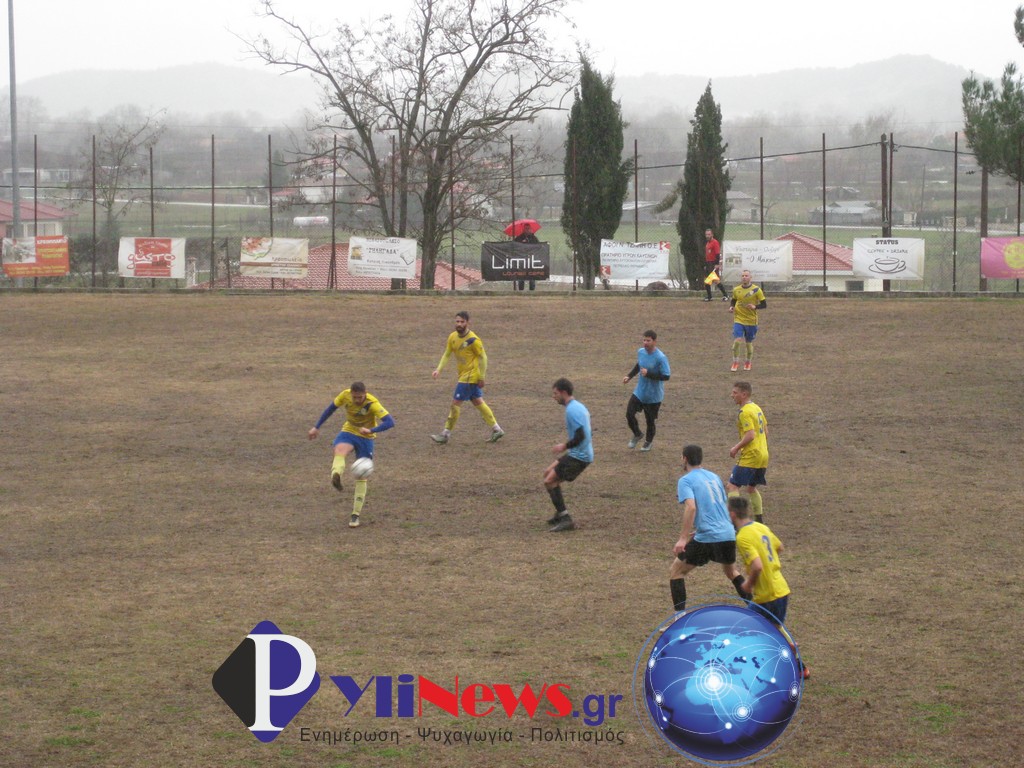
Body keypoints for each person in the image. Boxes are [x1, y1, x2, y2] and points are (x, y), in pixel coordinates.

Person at [729, 495, 808, 678]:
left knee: (749, 628)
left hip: (767, 594)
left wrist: (748, 584)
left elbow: (757, 566)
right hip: (780, 587)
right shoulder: (761, 527)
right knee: (772, 627)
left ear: (732, 514)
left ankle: (773, 661)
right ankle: (799, 666)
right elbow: (779, 547)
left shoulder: (743, 537)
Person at [669, 444, 749, 612]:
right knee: (732, 572)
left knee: (676, 571)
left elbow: (691, 507)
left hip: (708, 536)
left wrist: (683, 538)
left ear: (684, 459)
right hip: (727, 533)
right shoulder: (714, 477)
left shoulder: (686, 481)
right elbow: (719, 505)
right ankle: (760, 612)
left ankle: (679, 620)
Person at [308, 381, 394, 528]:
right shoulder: (345, 395)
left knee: (362, 476)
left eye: (360, 397)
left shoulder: (372, 403)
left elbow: (390, 422)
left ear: (365, 393)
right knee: (339, 450)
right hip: (349, 430)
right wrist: (316, 427)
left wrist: (371, 430)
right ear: (351, 394)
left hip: (366, 437)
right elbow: (330, 409)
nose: (357, 400)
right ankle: (336, 475)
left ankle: (355, 515)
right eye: (355, 397)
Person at [430, 311, 504, 444]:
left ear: (468, 323)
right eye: (457, 321)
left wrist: (482, 377)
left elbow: (483, 357)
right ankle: (497, 429)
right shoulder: (452, 337)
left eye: (462, 322)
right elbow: (447, 353)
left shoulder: (473, 340)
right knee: (478, 402)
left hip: (470, 377)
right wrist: (438, 369)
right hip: (463, 375)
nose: (459, 324)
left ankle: (445, 434)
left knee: (455, 404)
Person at [544, 377, 592, 532]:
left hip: (579, 457)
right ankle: (560, 514)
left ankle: (566, 519)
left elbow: (581, 436)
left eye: (555, 393)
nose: (554, 397)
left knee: (550, 481)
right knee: (547, 473)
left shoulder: (572, 410)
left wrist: (563, 446)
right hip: (576, 453)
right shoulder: (577, 406)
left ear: (563, 392)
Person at [622, 329, 671, 452]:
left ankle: (648, 442)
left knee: (650, 421)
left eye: (648, 340)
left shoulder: (661, 357)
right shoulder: (641, 352)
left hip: (653, 396)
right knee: (629, 414)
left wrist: (649, 374)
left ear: (654, 341)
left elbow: (666, 376)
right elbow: (639, 365)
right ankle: (637, 434)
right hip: (640, 392)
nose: (645, 343)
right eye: (644, 340)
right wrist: (629, 376)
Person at [727, 381, 768, 524]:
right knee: (751, 488)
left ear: (744, 394)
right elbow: (766, 431)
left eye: (735, 393)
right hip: (763, 455)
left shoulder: (744, 412)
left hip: (751, 455)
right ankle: (759, 521)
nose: (732, 395)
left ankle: (735, 520)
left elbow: (750, 435)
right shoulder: (756, 408)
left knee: (732, 486)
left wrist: (736, 448)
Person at [729, 269, 767, 372]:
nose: (744, 277)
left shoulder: (757, 290)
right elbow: (734, 300)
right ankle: (735, 362)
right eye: (742, 276)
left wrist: (755, 306)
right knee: (737, 341)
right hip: (739, 319)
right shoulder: (736, 289)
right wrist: (732, 307)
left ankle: (748, 362)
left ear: (750, 278)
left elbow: (764, 305)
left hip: (751, 321)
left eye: (746, 276)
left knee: (748, 342)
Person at [703, 228, 729, 301]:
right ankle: (709, 297)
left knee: (715, 280)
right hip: (708, 263)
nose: (707, 236)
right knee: (707, 280)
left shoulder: (715, 242)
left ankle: (726, 295)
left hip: (713, 263)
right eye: (706, 234)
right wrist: (706, 264)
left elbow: (717, 254)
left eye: (709, 234)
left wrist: (717, 264)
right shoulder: (708, 243)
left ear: (712, 235)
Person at [513, 223, 539, 291]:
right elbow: (514, 247)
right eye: (526, 228)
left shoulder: (534, 238)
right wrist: (522, 243)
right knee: (521, 279)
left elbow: (538, 247)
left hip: (531, 261)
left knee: (532, 279)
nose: (527, 230)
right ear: (523, 229)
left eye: (528, 228)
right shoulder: (518, 238)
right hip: (521, 262)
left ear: (530, 229)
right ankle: (521, 293)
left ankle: (532, 293)